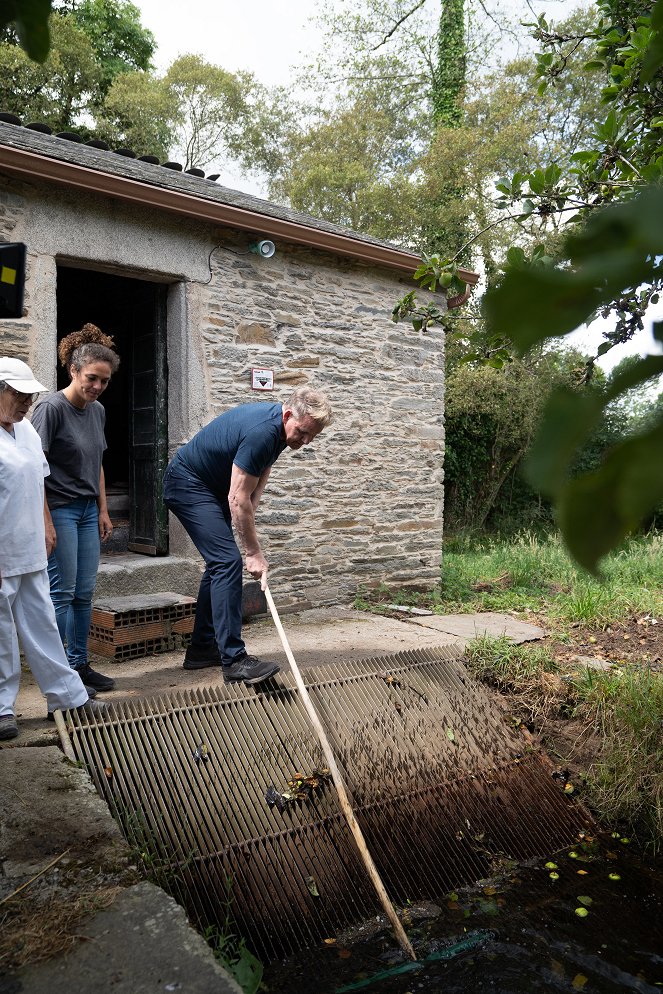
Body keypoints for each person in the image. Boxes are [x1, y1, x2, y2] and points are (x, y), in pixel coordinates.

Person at [163, 386, 332, 686]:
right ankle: (234, 661)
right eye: (303, 433)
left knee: (219, 564)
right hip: (187, 482)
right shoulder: (263, 431)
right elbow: (237, 498)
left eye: (311, 438)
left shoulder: (282, 430)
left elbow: (260, 471)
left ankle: (203, 648)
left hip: (211, 488)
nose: (304, 442)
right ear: (290, 414)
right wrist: (253, 553)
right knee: (228, 561)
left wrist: (253, 503)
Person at [0, 358, 107, 740]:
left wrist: (46, 526)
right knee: (1, 632)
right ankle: (2, 708)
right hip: (0, 551)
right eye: (19, 394)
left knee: (43, 624)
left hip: (28, 547)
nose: (28, 401)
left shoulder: (26, 430)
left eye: (30, 395)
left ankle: (67, 696)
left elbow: (40, 480)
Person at [31, 324, 120, 698]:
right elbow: (32, 469)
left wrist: (103, 509)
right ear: (73, 370)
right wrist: (46, 522)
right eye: (91, 378)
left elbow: (96, 461)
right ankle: (62, 671)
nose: (97, 387)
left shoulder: (97, 411)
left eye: (104, 381)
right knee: (62, 593)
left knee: (85, 593)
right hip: (60, 509)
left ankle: (80, 665)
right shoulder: (50, 409)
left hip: (86, 510)